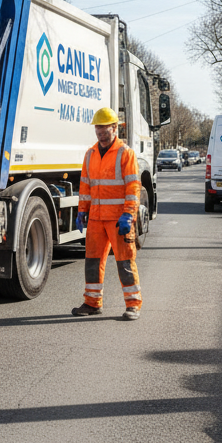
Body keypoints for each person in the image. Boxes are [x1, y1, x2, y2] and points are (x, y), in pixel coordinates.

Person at [71, 107, 143, 321]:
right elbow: (85, 186)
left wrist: (129, 214)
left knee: (125, 261)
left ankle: (133, 305)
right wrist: (82, 211)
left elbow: (133, 187)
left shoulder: (125, 153)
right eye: (98, 127)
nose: (101, 132)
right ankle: (92, 303)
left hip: (118, 218)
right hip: (95, 218)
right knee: (92, 261)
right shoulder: (90, 154)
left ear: (115, 128)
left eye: (105, 127)